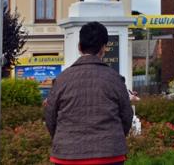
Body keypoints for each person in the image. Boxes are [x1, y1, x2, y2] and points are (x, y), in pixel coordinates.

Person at [44, 21, 133, 165]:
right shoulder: (115, 79)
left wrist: (63, 139)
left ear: (79, 47)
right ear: (103, 48)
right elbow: (127, 116)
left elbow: (50, 117)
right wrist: (113, 138)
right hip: (109, 154)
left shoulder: (61, 80)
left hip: (67, 155)